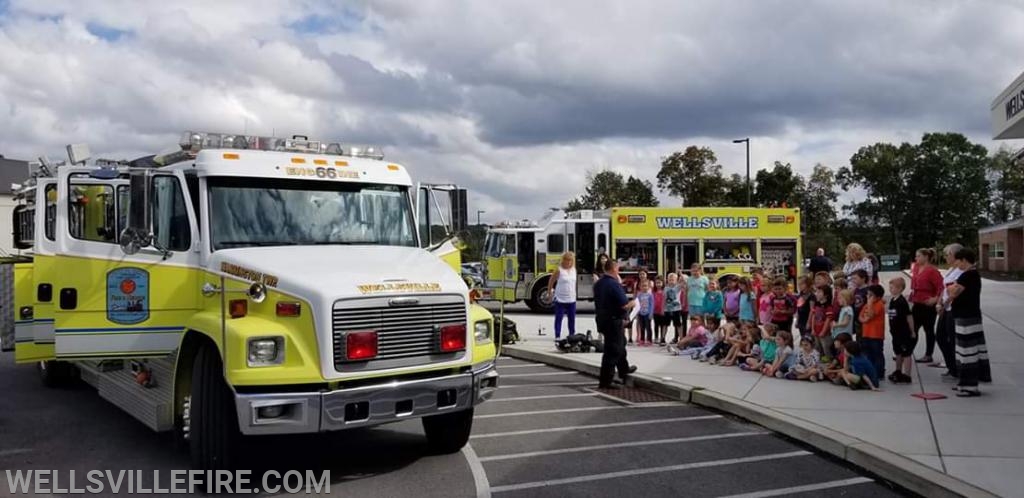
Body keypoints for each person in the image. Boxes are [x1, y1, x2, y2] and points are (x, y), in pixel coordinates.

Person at [946, 247, 991, 397]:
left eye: (958, 260)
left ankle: (970, 386)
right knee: (962, 351)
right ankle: (963, 382)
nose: (957, 263)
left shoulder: (968, 275)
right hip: (965, 316)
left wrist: (951, 289)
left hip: (968, 317)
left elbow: (953, 292)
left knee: (968, 352)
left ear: (964, 260)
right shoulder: (969, 275)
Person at [594, 260, 637, 388]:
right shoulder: (613, 284)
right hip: (613, 320)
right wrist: (633, 304)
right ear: (613, 269)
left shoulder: (599, 283)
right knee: (612, 350)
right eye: (618, 268)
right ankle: (606, 381)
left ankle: (623, 369)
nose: (618, 271)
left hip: (602, 319)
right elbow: (623, 304)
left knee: (621, 343)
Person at [910, 248, 944, 365]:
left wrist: (935, 299)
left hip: (928, 304)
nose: (916, 258)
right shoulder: (915, 268)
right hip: (917, 302)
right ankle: (908, 351)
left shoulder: (932, 271)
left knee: (928, 329)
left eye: (918, 256)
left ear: (926, 257)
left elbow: (941, 287)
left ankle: (928, 354)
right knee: (912, 328)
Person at [935, 244, 964, 377]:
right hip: (945, 308)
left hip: (953, 309)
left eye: (947, 254)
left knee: (952, 339)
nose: (945, 257)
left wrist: (944, 304)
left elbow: (955, 292)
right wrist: (939, 301)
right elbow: (944, 288)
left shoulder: (961, 272)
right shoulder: (951, 270)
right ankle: (951, 366)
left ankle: (956, 368)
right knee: (940, 336)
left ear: (955, 255)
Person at [887, 277, 915, 384]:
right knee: (897, 352)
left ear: (899, 289)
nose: (890, 289)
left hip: (903, 332)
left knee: (906, 353)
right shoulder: (893, 300)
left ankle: (907, 375)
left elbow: (909, 316)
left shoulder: (902, 302)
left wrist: (912, 331)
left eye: (892, 287)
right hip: (895, 333)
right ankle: (898, 371)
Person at [548, 251, 577, 343]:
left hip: (571, 298)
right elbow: (551, 281)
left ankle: (572, 334)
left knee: (572, 319)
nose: (568, 262)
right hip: (560, 298)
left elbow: (574, 283)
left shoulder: (574, 270)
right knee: (559, 318)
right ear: (563, 260)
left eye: (570, 260)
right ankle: (557, 335)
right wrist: (550, 292)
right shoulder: (559, 270)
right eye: (566, 260)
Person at [859, 284, 886, 381]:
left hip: (876, 335)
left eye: (871, 295)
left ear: (878, 297)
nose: (868, 297)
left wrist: (870, 304)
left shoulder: (879, 305)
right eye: (867, 295)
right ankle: (871, 371)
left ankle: (879, 373)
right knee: (868, 354)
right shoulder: (866, 305)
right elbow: (861, 316)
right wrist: (863, 320)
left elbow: (870, 315)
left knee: (877, 354)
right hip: (866, 333)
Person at [809, 285, 835, 357]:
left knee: (826, 347)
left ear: (826, 295)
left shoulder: (828, 306)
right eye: (816, 292)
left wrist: (823, 331)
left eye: (819, 292)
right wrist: (813, 329)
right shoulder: (817, 305)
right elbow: (814, 317)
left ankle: (830, 360)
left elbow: (828, 320)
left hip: (825, 332)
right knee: (817, 346)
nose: (817, 294)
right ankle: (819, 359)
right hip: (816, 330)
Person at [664, 273, 685, 343]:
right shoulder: (666, 288)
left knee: (678, 324)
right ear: (667, 280)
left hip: (676, 309)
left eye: (673, 280)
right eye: (670, 279)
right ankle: (663, 338)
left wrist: (681, 274)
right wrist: (662, 308)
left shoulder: (678, 287)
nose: (671, 281)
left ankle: (681, 339)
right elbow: (664, 298)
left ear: (676, 280)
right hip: (667, 309)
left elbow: (684, 281)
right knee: (665, 324)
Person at [636, 279, 654, 346]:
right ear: (640, 287)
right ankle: (642, 339)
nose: (644, 287)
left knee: (648, 327)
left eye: (646, 286)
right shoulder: (639, 295)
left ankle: (649, 340)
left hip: (647, 313)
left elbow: (652, 305)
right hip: (641, 313)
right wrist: (637, 312)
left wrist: (651, 313)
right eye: (643, 286)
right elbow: (637, 304)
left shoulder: (650, 295)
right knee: (642, 327)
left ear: (649, 287)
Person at [653, 276, 667, 345]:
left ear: (663, 283)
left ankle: (662, 337)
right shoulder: (654, 292)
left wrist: (663, 309)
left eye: (659, 283)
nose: (658, 284)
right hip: (655, 311)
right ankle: (656, 337)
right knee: (656, 325)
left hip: (662, 311)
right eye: (657, 283)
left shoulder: (664, 291)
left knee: (662, 325)